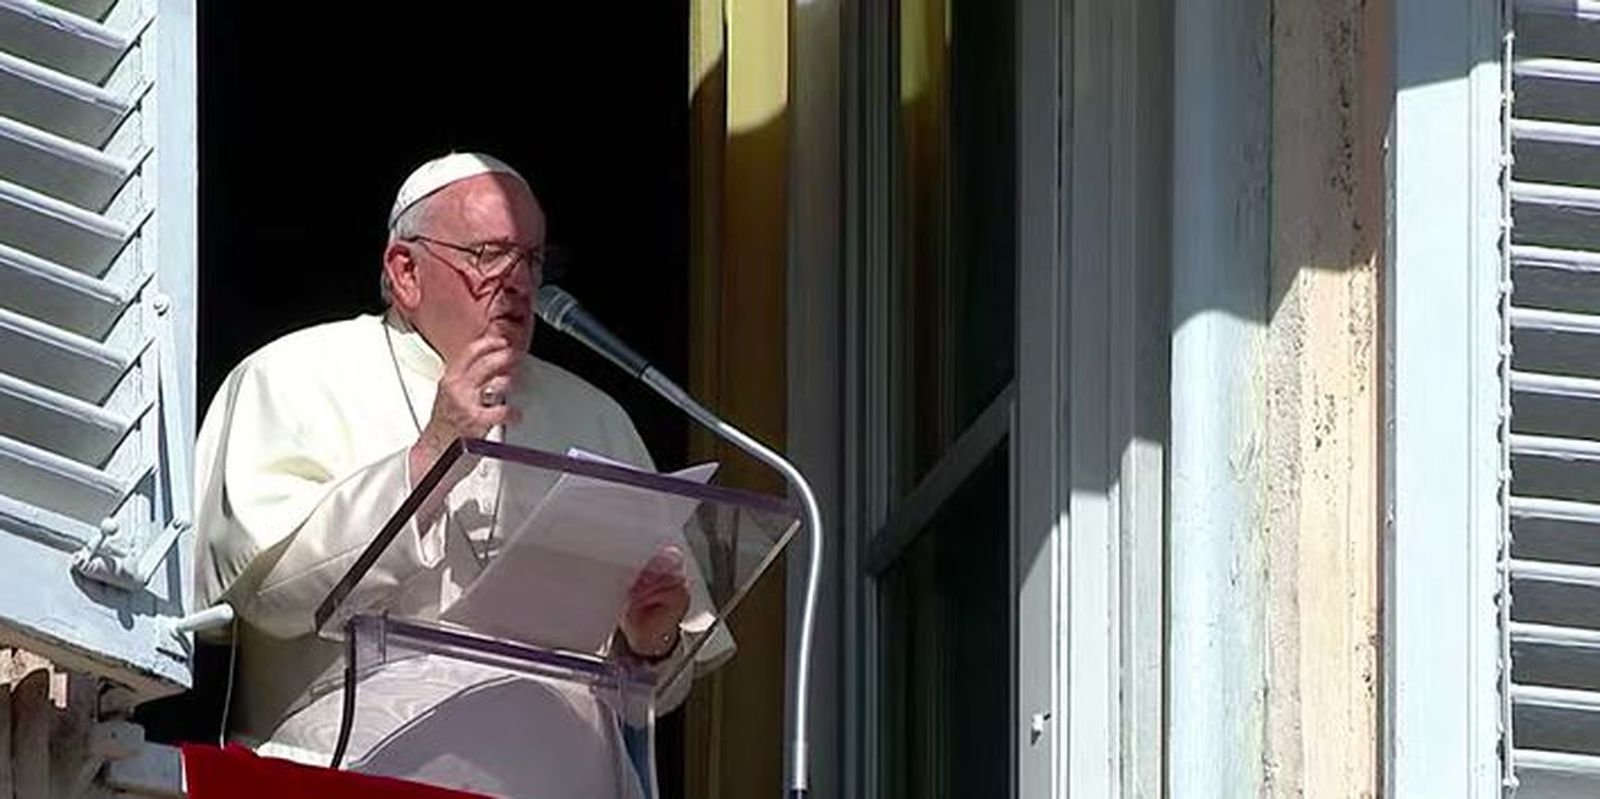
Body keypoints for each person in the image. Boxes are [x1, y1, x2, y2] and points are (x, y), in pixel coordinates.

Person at [192, 152, 729, 798]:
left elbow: (656, 685)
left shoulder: (596, 417)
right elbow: (270, 590)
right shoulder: (293, 376)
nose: (519, 282)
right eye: (489, 255)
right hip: (352, 772)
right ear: (406, 271)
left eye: (532, 260)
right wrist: (431, 452)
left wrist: (650, 640)